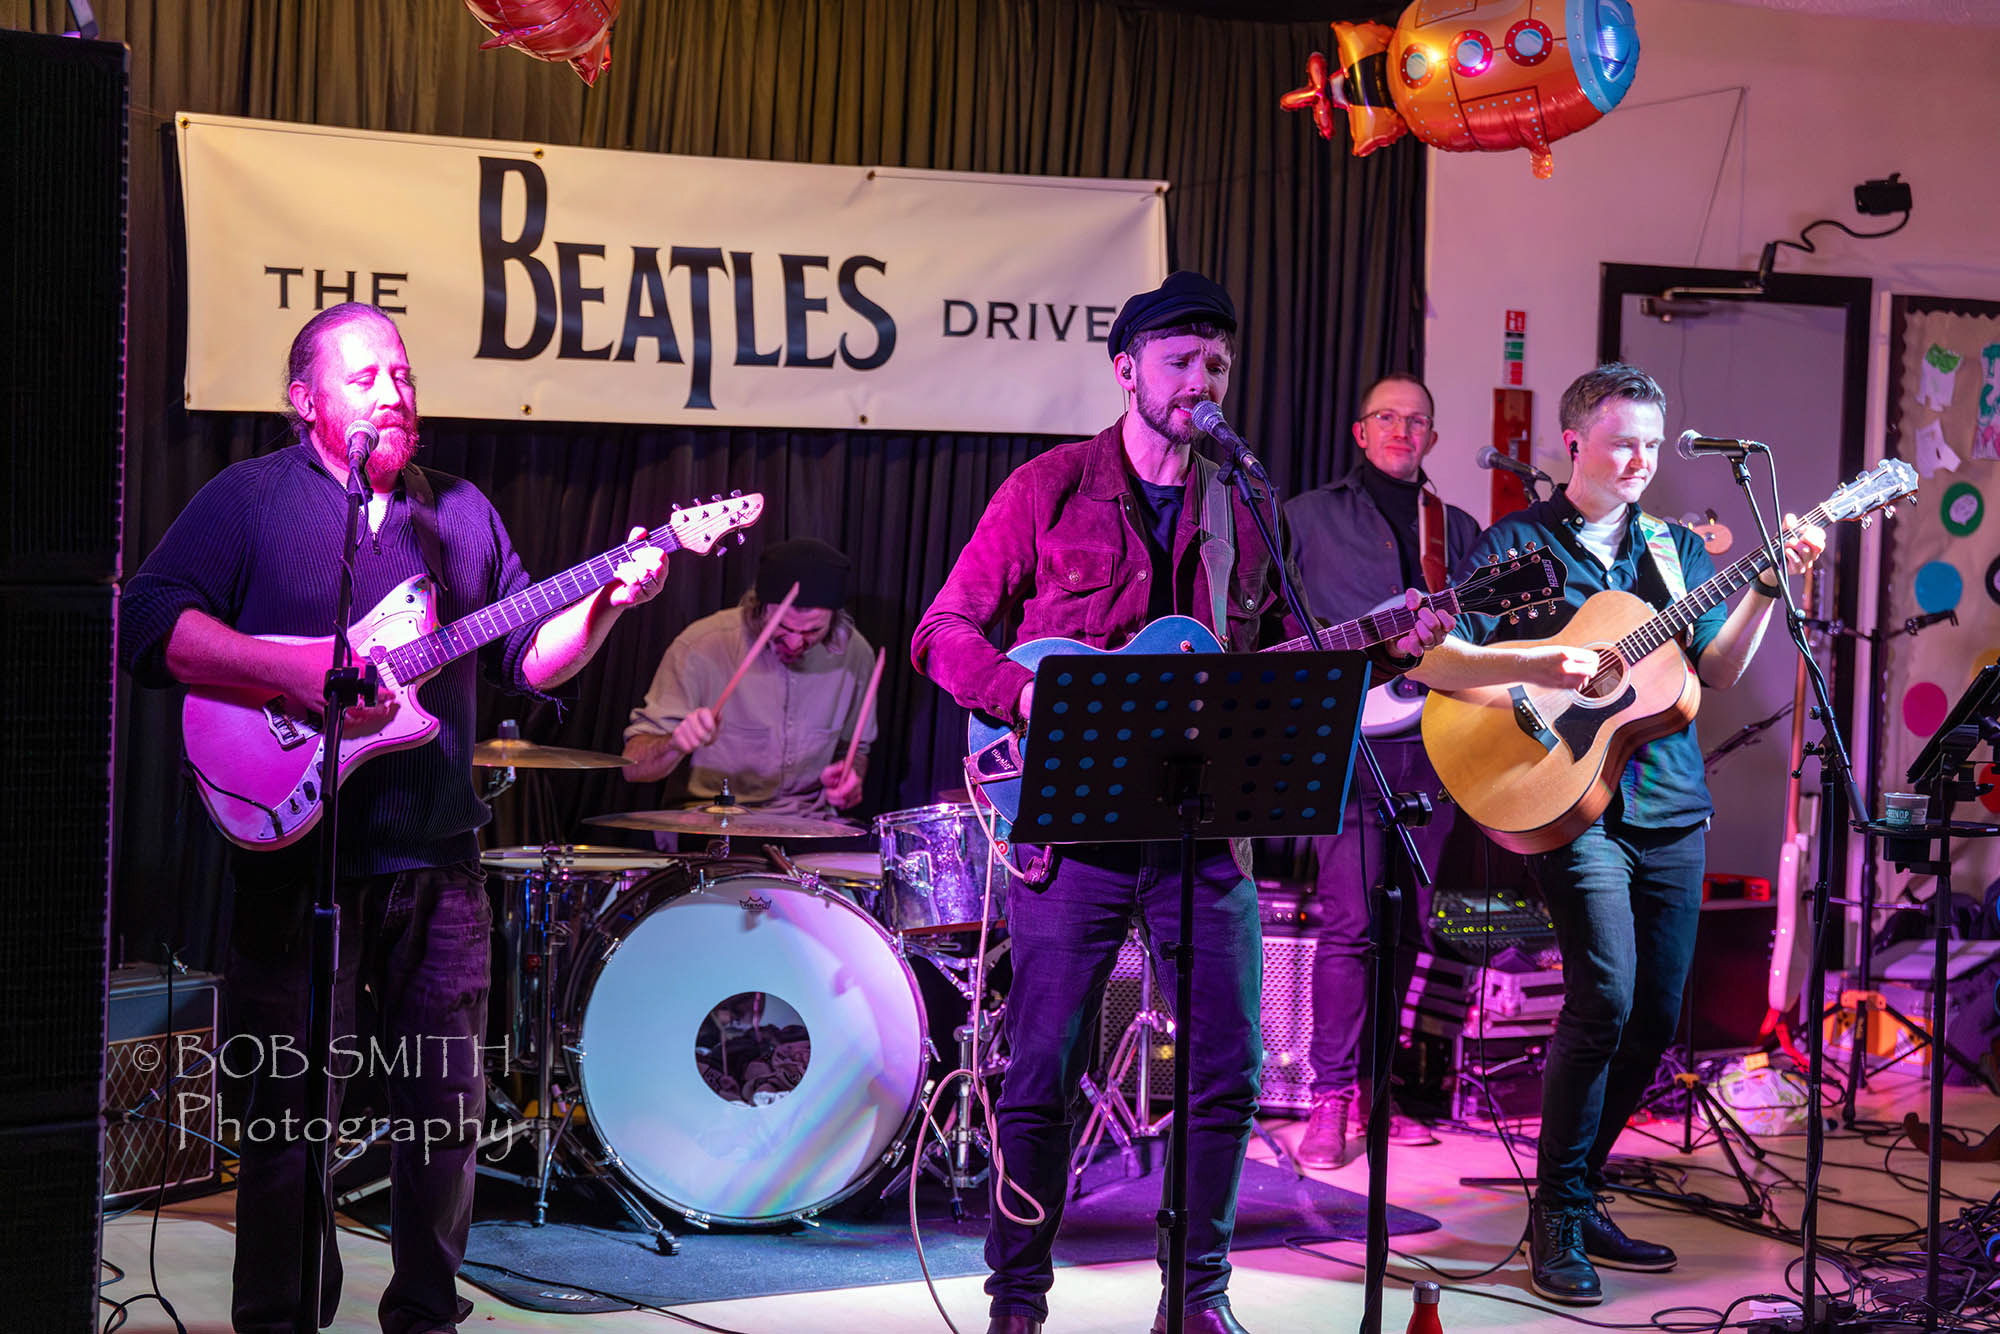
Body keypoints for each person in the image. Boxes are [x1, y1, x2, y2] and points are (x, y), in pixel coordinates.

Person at [911, 270, 1451, 1334]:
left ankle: (1194, 1300)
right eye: (1179, 363)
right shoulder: (1049, 488)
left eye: (1215, 365)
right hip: (1069, 831)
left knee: (1223, 1073)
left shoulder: (1241, 505)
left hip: (1203, 830)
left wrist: (1381, 637)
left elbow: (1250, 665)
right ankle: (1015, 1299)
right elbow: (944, 632)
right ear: (1125, 370)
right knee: (1040, 1072)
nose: (1201, 382)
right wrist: (1031, 695)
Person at [120, 302, 667, 1334]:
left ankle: (424, 1311)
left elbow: (525, 657)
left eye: (403, 374)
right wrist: (295, 674)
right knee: (285, 1113)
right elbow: (148, 622)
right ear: (305, 400)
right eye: (368, 375)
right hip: (295, 863)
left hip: (438, 862)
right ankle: (280, 1312)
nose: (395, 391)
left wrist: (607, 601)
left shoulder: (457, 510)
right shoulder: (246, 500)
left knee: (443, 1113)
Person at [1406, 364, 1824, 1305]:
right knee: (1603, 997)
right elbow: (1437, 657)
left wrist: (1763, 588)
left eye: (1649, 443)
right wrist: (1546, 662)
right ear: (1573, 447)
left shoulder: (1676, 549)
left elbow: (1709, 672)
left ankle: (1582, 1190)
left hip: (1672, 802)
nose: (1638, 460)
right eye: (1620, 441)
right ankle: (1553, 1215)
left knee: (1651, 1018)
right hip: (1568, 797)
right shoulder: (1517, 544)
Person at [1282, 372, 1481, 1168]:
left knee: (1408, 926)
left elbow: (1485, 627)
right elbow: (1275, 616)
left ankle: (1377, 1092)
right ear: (1361, 432)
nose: (1403, 431)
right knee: (1352, 924)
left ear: (1433, 436)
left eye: (1418, 420)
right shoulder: (1306, 518)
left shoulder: (1458, 528)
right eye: (1387, 418)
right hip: (1348, 739)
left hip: (1434, 740)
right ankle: (1329, 1100)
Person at [620, 537, 875, 814]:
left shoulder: (855, 653)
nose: (793, 643)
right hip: (713, 823)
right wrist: (674, 744)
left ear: (835, 620)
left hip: (810, 827)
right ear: (758, 608)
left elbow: (856, 749)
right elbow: (632, 769)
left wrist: (850, 777)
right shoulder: (701, 645)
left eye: (812, 632)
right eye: (783, 627)